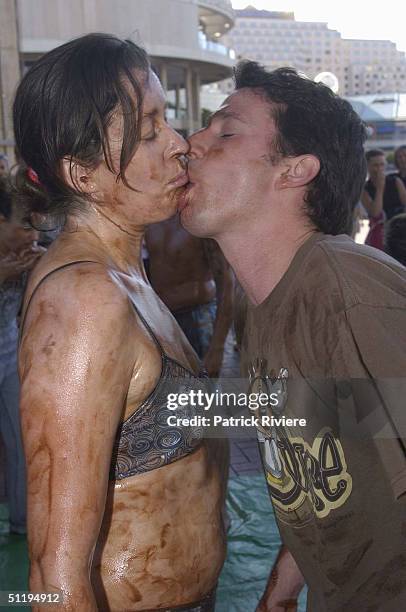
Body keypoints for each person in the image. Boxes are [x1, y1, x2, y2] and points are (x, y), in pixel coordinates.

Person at [181, 62, 406, 611]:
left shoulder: (345, 290)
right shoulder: (270, 307)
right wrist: (284, 587)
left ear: (295, 170)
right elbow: (327, 457)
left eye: (225, 132)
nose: (192, 142)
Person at [14, 33, 227, 611]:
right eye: (149, 131)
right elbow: (53, 577)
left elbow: (165, 414)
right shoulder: (85, 302)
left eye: (168, 122)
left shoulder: (124, 276)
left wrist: (348, 404)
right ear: (83, 173)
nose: (179, 145)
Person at [0, 176, 42, 534]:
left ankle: (22, 523)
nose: (33, 235)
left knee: (21, 440)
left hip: (9, 355)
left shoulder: (26, 257)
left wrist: (42, 269)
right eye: (25, 225)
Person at [145, 215, 234, 376]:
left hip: (198, 320)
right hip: (163, 320)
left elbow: (227, 284)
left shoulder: (199, 221)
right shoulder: (149, 221)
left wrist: (218, 347)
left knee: (201, 393)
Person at [361, 149, 406, 249]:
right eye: (375, 165)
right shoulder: (364, 189)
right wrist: (380, 188)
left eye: (382, 164)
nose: (379, 168)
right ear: (367, 166)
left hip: (399, 229)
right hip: (380, 233)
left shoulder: (395, 181)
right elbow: (375, 213)